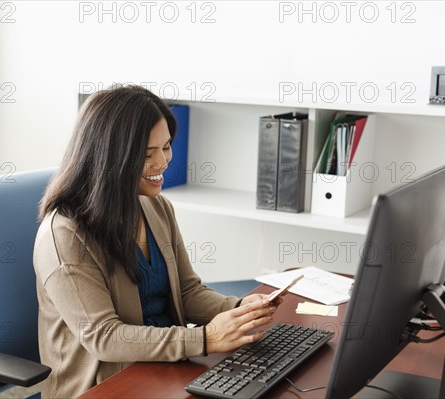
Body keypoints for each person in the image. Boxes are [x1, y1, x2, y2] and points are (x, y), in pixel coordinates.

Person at [34, 85, 279, 397]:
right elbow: (104, 337)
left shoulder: (155, 206)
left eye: (166, 147)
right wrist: (205, 339)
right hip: (104, 384)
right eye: (148, 154)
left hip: (169, 365)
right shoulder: (64, 236)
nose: (163, 162)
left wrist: (239, 308)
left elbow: (187, 292)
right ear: (109, 157)